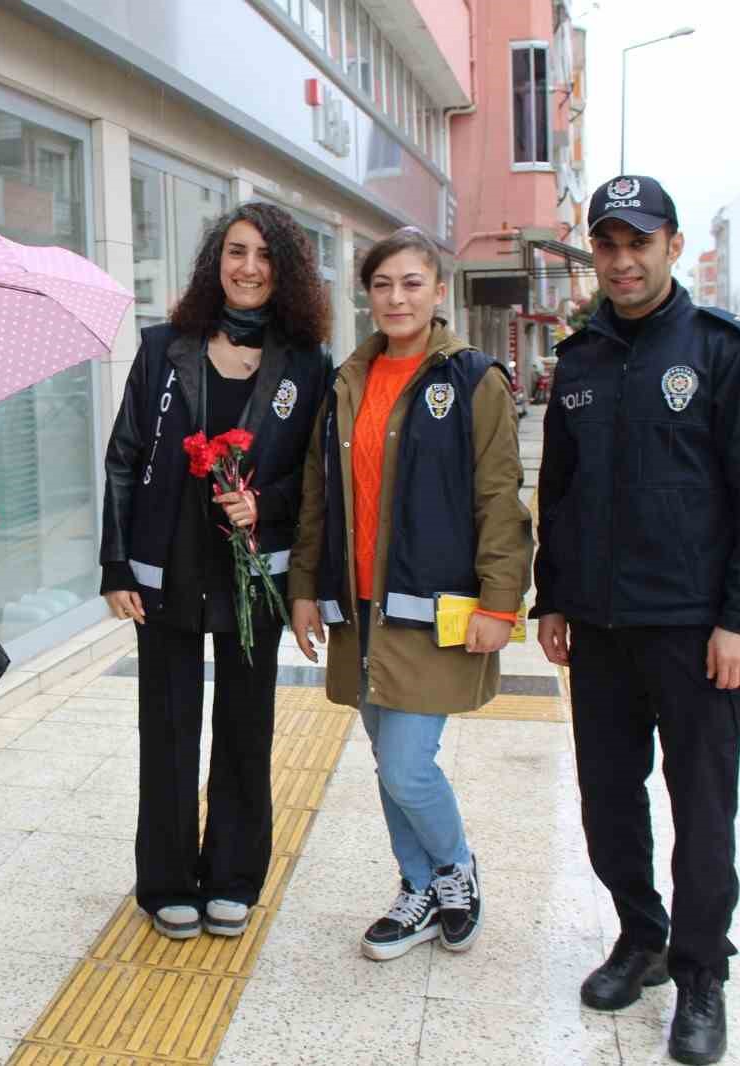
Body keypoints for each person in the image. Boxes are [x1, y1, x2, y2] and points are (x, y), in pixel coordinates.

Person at [532, 175, 740, 1066]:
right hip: (600, 632)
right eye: (607, 244)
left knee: (703, 811)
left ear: (672, 247)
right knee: (608, 803)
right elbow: (558, 490)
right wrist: (552, 595)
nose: (622, 260)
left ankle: (701, 974)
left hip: (694, 632)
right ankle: (641, 938)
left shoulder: (725, 353)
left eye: (638, 243)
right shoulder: (581, 356)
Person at [288, 226, 531, 962]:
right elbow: (316, 496)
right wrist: (304, 588)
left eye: (412, 283)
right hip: (361, 611)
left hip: (431, 611)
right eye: (384, 284)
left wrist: (501, 601)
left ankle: (455, 868)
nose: (397, 297)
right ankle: (416, 886)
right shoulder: (345, 382)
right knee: (385, 758)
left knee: (406, 765)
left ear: (437, 289)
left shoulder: (472, 379)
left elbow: (499, 495)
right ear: (367, 295)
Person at [101, 202, 332, 940]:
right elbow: (124, 456)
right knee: (166, 725)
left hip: (252, 571)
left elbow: (314, 479)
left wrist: (262, 501)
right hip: (166, 566)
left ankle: (233, 874)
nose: (249, 267)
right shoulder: (165, 347)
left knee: (245, 724)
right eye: (236, 252)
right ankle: (166, 879)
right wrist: (115, 565)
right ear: (215, 262)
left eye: (265, 255)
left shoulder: (308, 364)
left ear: (286, 271)